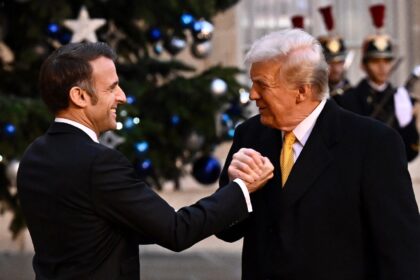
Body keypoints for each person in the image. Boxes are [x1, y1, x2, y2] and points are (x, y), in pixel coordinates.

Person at [16, 42, 274, 280]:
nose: (122, 96)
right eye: (111, 87)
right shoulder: (100, 163)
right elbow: (177, 231)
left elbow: (91, 230)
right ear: (79, 96)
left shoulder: (34, 156)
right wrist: (241, 188)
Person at [216, 28, 420, 279]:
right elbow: (226, 231)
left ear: (302, 90)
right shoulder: (250, 135)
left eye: (262, 85)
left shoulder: (373, 144)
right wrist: (235, 190)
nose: (252, 94)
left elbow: (402, 253)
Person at [339, 4, 419, 161]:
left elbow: (411, 152)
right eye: (375, 61)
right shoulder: (348, 100)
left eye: (387, 61)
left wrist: (407, 124)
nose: (382, 67)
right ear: (364, 64)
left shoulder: (401, 98)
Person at [317, 5, 352, 103]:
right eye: (330, 62)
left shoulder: (356, 95)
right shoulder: (314, 96)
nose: (336, 69)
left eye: (339, 62)